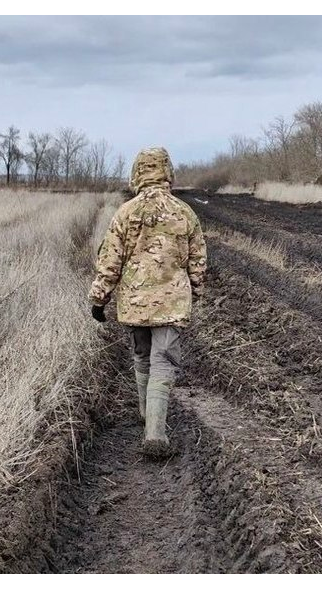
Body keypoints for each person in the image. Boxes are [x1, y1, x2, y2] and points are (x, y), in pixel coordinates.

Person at [88, 147, 207, 457]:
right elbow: (197, 260)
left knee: (142, 356)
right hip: (171, 304)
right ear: (168, 172)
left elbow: (110, 261)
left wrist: (99, 299)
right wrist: (194, 292)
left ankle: (145, 414)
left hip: (135, 303)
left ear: (137, 173)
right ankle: (155, 433)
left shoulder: (126, 212)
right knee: (163, 362)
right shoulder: (184, 212)